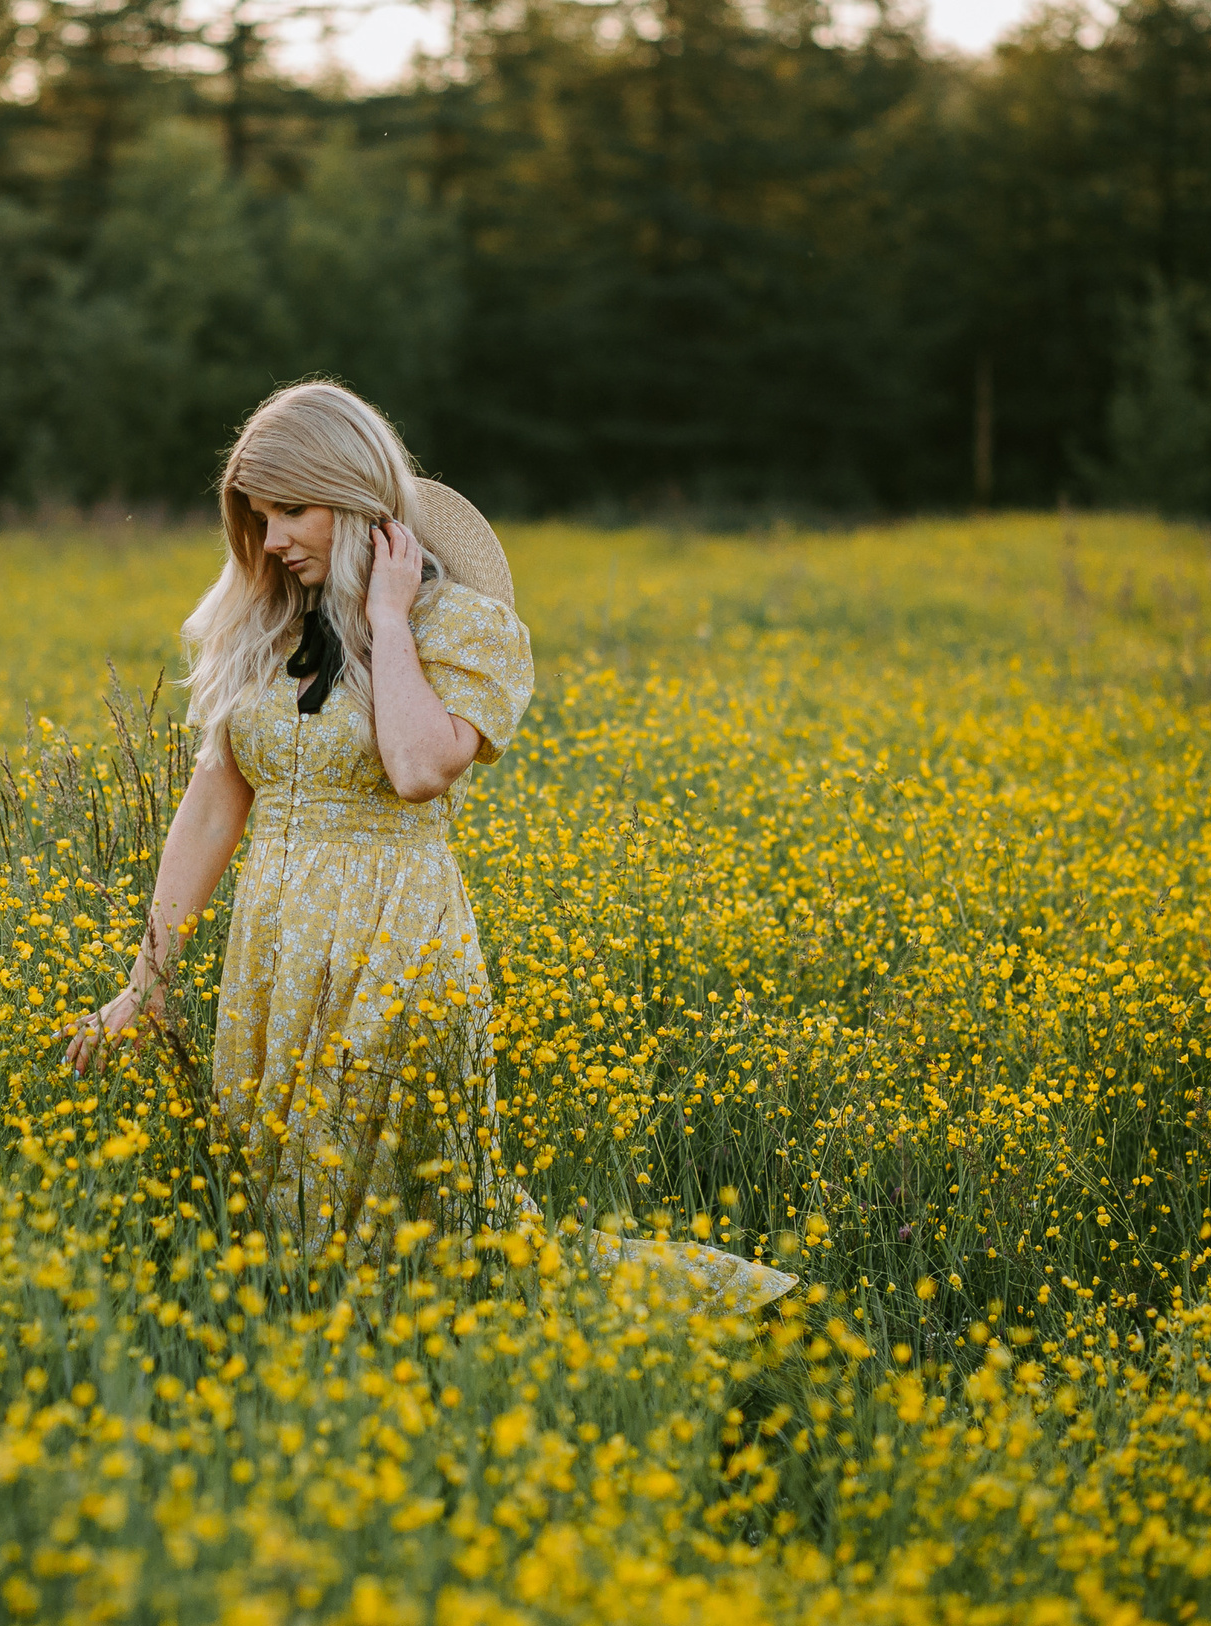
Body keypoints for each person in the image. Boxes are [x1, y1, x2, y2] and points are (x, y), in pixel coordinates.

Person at [65, 381, 790, 1308]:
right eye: (257, 515)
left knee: (444, 1223)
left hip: (395, 950)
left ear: (361, 500)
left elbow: (416, 768)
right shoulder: (260, 623)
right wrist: (149, 977)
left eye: (294, 510)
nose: (272, 537)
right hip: (271, 958)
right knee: (288, 1216)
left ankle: (709, 1313)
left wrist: (390, 620)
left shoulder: (462, 626)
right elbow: (213, 805)